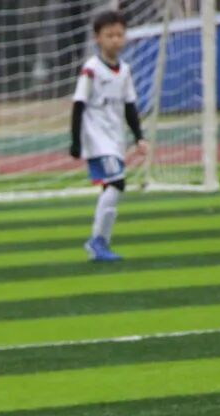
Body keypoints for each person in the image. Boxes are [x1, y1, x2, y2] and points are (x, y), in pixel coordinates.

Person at [70, 10, 148, 262]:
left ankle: (100, 243)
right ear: (98, 38)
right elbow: (78, 104)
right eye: (109, 35)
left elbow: (130, 106)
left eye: (119, 35)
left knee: (111, 186)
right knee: (117, 183)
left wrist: (139, 137)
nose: (115, 40)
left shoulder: (124, 70)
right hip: (96, 138)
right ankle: (98, 241)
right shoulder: (91, 69)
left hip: (115, 139)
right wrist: (75, 141)